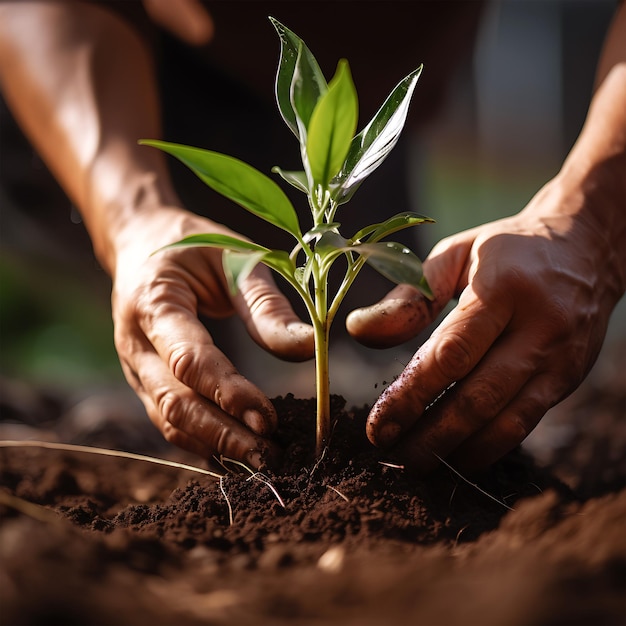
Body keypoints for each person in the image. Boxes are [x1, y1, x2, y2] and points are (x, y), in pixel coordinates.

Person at [0, 1, 624, 474]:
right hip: (121, 77)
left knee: (393, 336)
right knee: (196, 347)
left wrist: (590, 218)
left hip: (349, 136)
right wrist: (132, 217)